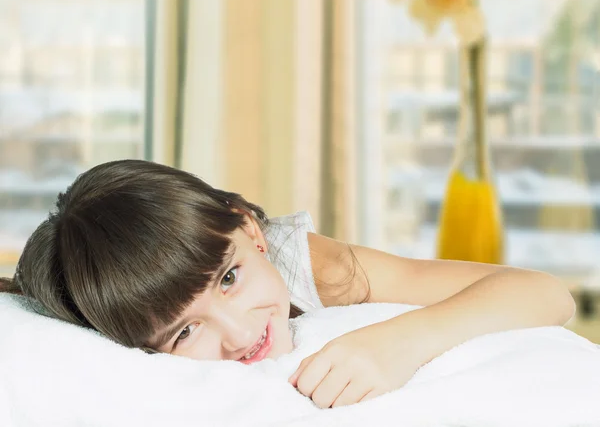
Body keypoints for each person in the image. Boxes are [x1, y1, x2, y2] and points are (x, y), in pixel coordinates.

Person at [0, 159, 575, 409]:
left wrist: (403, 339)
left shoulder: (311, 266)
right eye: (183, 332)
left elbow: (549, 294)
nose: (239, 330)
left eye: (229, 279)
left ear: (250, 230)